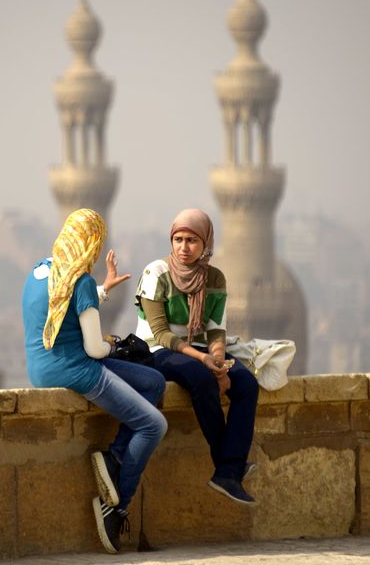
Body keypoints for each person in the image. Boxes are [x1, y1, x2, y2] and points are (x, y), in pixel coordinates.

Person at [22, 208, 167, 554]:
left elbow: (61, 307)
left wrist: (103, 291)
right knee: (153, 425)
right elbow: (95, 350)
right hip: (78, 369)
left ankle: (116, 458)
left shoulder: (41, 271)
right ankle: (117, 507)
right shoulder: (81, 281)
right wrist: (114, 343)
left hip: (42, 367)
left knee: (153, 383)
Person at [135, 208, 259, 505]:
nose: (184, 247)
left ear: (206, 244)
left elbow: (216, 330)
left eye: (192, 240)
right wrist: (205, 363)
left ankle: (227, 472)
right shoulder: (157, 274)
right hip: (157, 350)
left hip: (199, 349)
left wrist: (218, 361)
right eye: (178, 239)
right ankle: (229, 467)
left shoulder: (214, 278)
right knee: (200, 379)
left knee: (246, 384)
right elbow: (161, 334)